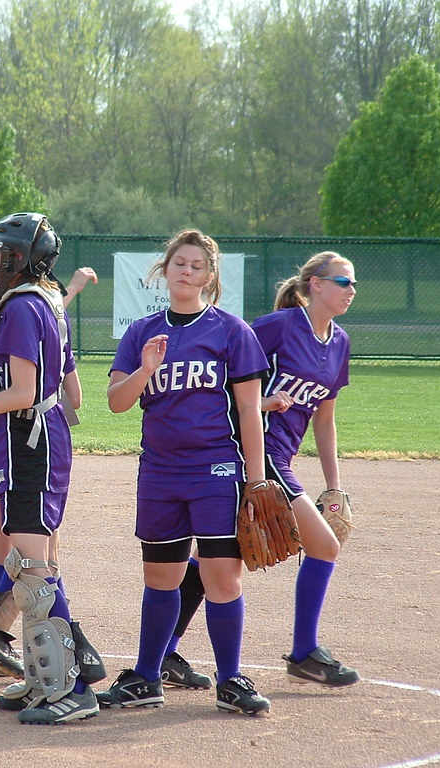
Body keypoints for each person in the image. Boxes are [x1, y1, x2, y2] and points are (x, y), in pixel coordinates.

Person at [167, 251, 361, 689]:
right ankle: (304, 652)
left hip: (282, 458)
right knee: (325, 548)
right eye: (343, 282)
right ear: (315, 284)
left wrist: (333, 484)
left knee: (217, 558)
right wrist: (259, 403)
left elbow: (325, 418)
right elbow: (223, 371)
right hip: (253, 454)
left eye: (352, 284)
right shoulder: (279, 326)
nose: (351, 291)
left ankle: (163, 652)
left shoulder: (340, 342)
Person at [100, 229, 272, 716]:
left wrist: (256, 481)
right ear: (164, 270)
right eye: (180, 263)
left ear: (209, 276)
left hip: (215, 469)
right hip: (159, 472)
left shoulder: (231, 331)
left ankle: (231, 679)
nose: (187, 271)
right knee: (161, 575)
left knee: (222, 576)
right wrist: (146, 368)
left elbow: (250, 411)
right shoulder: (141, 332)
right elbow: (116, 402)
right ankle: (147, 677)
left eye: (197, 265)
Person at [0, 212, 103, 725]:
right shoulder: (44, 302)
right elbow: (69, 395)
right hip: (37, 438)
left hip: (28, 442)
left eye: (3, 255)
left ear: (25, 260)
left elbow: (24, 392)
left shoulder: (18, 308)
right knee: (29, 563)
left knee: (32, 567)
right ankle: (44, 676)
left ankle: (72, 687)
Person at [0, 267, 98, 680]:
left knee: (2, 546)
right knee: (41, 555)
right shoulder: (45, 312)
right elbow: (73, 395)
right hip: (23, 437)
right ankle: (60, 664)